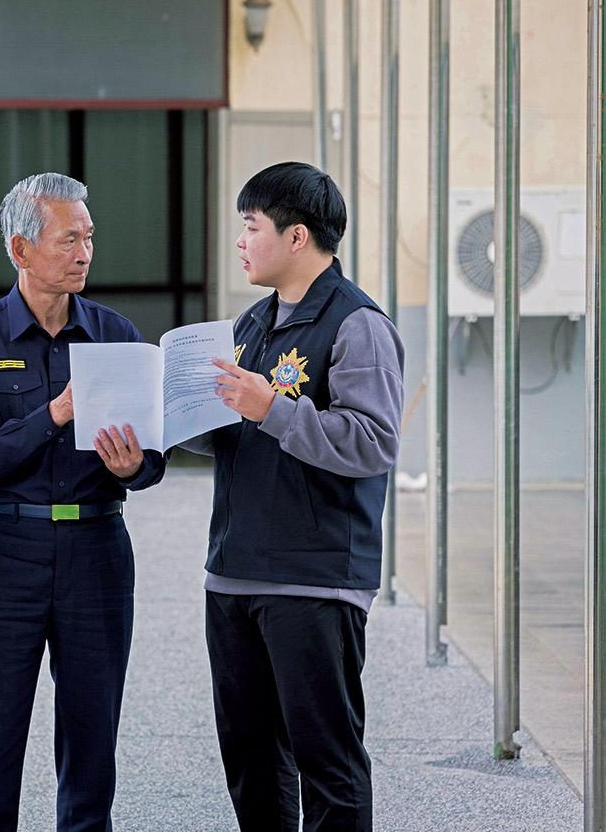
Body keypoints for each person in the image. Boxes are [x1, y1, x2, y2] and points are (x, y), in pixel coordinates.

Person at [0, 173, 165, 831]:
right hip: (7, 550)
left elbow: (152, 458)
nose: (84, 252)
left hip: (98, 548)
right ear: (21, 249)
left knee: (92, 731)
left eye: (89, 237)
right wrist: (57, 412)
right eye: (69, 238)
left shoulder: (115, 332)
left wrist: (134, 468)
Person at [198, 161, 404, 831]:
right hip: (234, 575)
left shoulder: (357, 324)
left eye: (251, 226)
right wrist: (168, 427)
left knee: (327, 762)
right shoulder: (253, 323)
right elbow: (239, 432)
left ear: (297, 236)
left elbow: (372, 442)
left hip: (314, 579)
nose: (241, 240)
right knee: (252, 762)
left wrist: (270, 409)